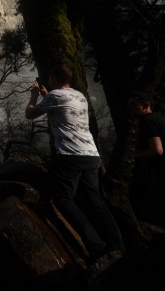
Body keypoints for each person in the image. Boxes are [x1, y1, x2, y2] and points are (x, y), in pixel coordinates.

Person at [25, 64, 125, 261]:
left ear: (53, 77)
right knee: (96, 201)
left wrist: (34, 95)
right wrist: (48, 95)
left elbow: (30, 114)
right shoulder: (79, 96)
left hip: (71, 155)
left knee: (63, 199)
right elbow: (64, 109)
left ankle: (96, 247)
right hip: (91, 154)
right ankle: (117, 246)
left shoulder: (55, 96)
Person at [126, 92, 165, 226]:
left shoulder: (148, 121)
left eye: (133, 104)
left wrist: (135, 156)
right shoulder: (157, 120)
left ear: (146, 105)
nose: (128, 107)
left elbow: (157, 149)